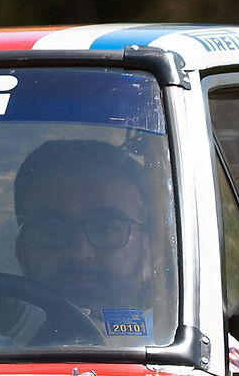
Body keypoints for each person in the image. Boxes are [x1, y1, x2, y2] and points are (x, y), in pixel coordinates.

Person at [10, 138, 161, 336]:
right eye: (53, 230)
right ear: (22, 250)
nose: (80, 253)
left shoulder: (176, 345)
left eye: (106, 228)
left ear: (147, 245)